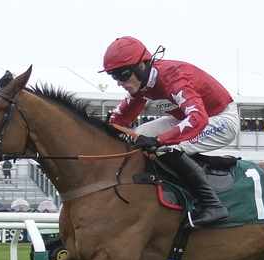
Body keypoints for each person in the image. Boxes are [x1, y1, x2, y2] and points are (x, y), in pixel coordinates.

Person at [101, 36, 237, 226]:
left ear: (141, 66)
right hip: (191, 118)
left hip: (221, 120)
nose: (118, 82)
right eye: (113, 75)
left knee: (167, 147)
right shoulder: (142, 83)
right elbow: (121, 116)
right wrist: (104, 127)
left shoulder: (172, 76)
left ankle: (213, 205)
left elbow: (198, 117)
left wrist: (160, 140)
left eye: (122, 74)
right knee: (139, 134)